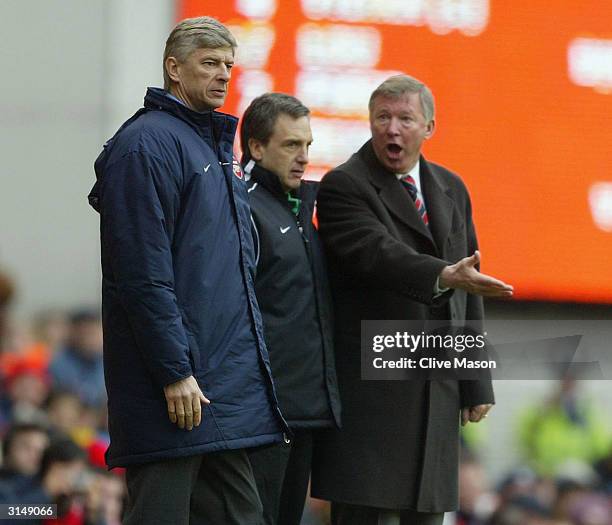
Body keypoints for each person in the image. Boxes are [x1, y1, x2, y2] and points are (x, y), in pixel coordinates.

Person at [88, 16, 286, 525]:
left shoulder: (212, 150)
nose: (224, 75)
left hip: (220, 389)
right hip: (176, 391)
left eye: (228, 65)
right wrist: (174, 371)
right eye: (210, 64)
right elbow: (141, 273)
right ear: (174, 69)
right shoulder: (145, 145)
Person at [310, 74, 513, 525]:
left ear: (429, 128)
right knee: (361, 512)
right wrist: (442, 274)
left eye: (405, 118)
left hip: (435, 394)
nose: (392, 129)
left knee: (426, 515)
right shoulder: (345, 185)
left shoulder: (451, 187)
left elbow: (469, 287)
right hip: (373, 397)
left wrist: (475, 381)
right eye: (382, 117)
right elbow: (378, 255)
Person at [240, 93, 341, 525]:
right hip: (262, 411)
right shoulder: (241, 207)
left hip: (304, 409)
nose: (303, 157)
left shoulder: (300, 208)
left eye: (308, 146)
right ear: (256, 148)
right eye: (290, 146)